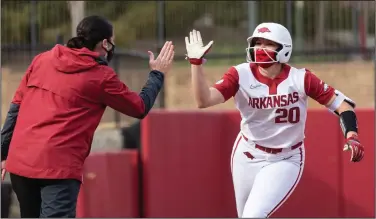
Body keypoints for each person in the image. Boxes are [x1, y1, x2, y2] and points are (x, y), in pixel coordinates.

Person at [1, 15, 174, 218]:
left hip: (21, 165)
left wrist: (3, 153)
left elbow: (16, 108)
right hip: (58, 169)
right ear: (104, 43)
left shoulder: (42, 60)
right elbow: (139, 107)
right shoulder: (100, 75)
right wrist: (157, 74)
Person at [184, 23, 364, 218]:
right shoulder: (240, 74)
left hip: (286, 158)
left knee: (252, 216)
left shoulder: (301, 78)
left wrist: (352, 136)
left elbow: (343, 105)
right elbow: (203, 100)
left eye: (267, 43)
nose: (260, 48)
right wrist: (196, 64)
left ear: (283, 49)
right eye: (257, 42)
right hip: (247, 153)